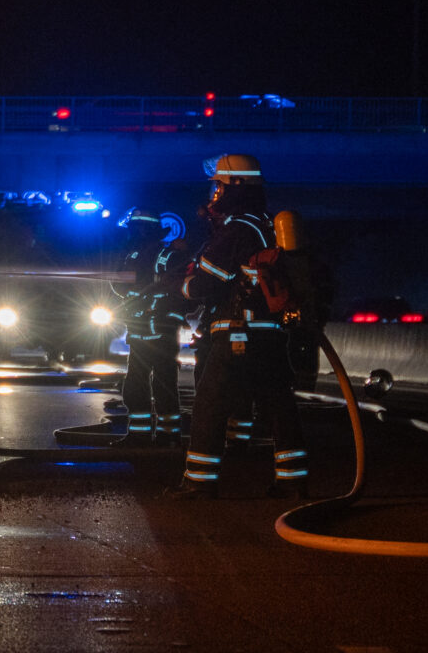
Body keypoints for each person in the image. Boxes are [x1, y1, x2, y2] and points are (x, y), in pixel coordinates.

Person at [174, 154, 307, 496]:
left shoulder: (238, 229)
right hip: (270, 333)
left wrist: (183, 283)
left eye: (218, 184)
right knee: (278, 406)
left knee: (210, 405)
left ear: (234, 186)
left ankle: (199, 484)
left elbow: (204, 285)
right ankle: (293, 482)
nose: (214, 192)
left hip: (238, 332)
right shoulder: (264, 225)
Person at [115, 210, 187, 445]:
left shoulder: (168, 257)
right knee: (135, 385)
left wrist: (165, 311)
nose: (132, 233)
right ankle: (139, 434)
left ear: (143, 229)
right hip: (139, 330)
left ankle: (169, 435)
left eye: (136, 228)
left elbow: (183, 294)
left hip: (161, 331)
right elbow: (120, 286)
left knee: (164, 384)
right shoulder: (131, 255)